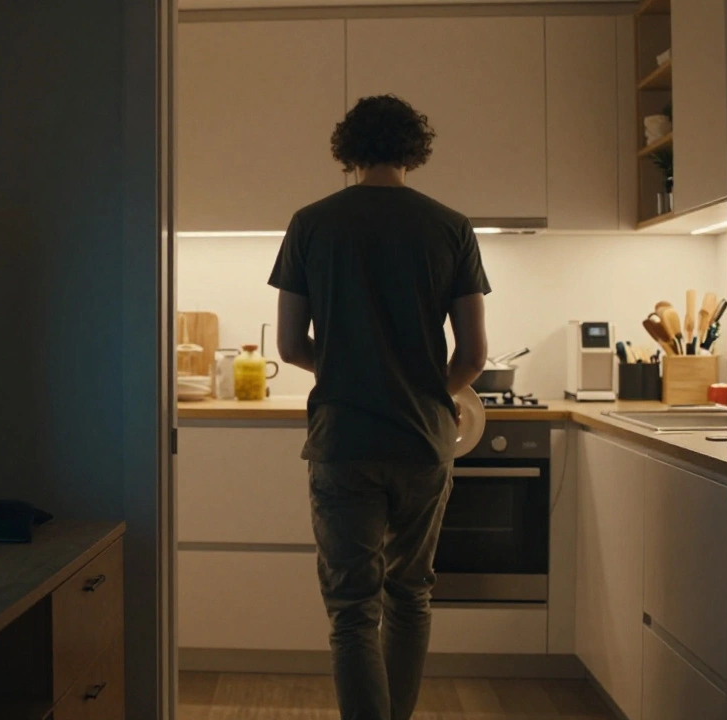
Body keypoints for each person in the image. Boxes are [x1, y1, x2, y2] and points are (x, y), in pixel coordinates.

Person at [268, 94, 490, 720]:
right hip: (423, 441)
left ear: (349, 148)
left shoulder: (312, 222)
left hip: (343, 441)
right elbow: (473, 355)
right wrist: (419, 387)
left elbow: (289, 346)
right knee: (410, 595)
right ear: (413, 148)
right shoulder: (451, 226)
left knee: (352, 610)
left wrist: (351, 371)